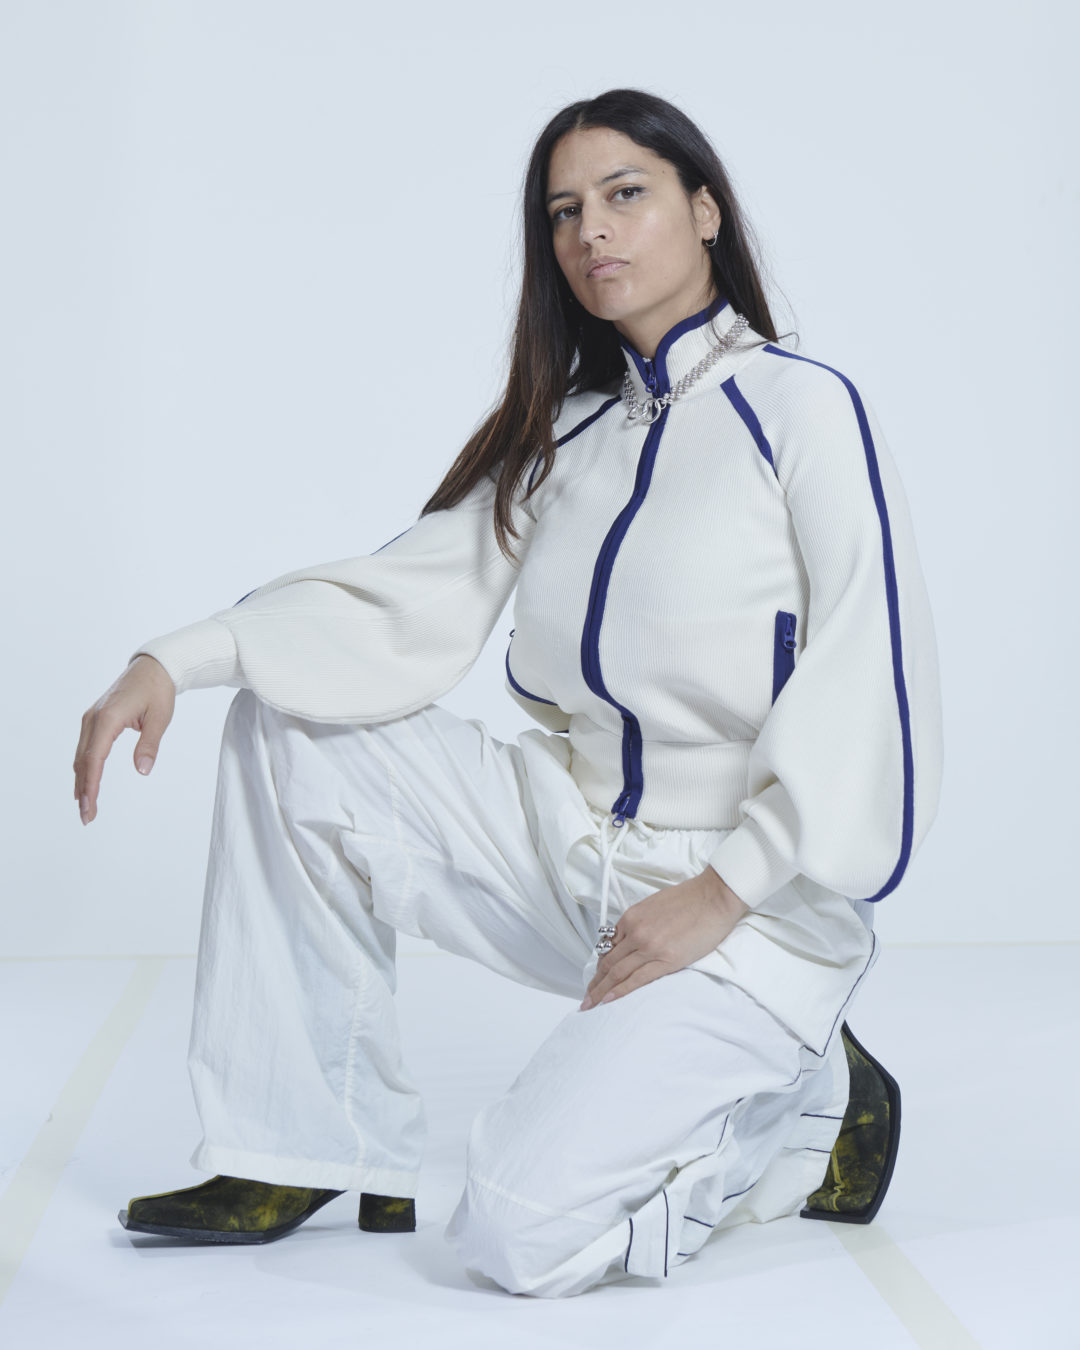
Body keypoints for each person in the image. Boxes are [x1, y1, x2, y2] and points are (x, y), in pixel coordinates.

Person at [72, 87, 943, 1298]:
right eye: (565, 212)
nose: (593, 231)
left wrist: (724, 890)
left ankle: (803, 1103)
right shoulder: (564, 434)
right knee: (291, 726)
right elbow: (402, 595)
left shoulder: (804, 409)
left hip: (747, 905)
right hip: (575, 854)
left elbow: (868, 678)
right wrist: (177, 656)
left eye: (626, 194)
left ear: (705, 210)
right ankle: (297, 1145)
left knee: (516, 1234)